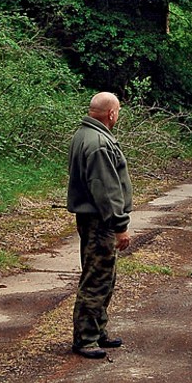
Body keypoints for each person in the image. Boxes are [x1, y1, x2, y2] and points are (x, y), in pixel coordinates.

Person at [66, 91, 132, 359]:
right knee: (97, 278)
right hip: (100, 220)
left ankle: (97, 330)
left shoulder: (84, 134)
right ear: (111, 114)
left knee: (103, 276)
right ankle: (86, 338)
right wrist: (120, 224)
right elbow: (105, 189)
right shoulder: (98, 143)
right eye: (118, 112)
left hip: (93, 218)